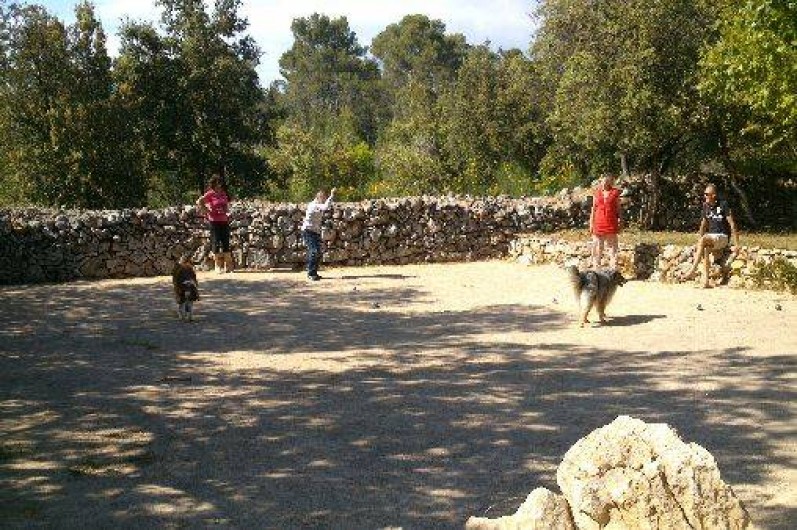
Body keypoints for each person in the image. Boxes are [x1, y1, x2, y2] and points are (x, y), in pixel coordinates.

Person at [681, 184, 739, 288]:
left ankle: (692, 271)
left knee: (704, 240)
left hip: (722, 236)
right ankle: (706, 281)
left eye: (707, 194)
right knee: (705, 249)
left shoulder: (723, 205)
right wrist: (699, 240)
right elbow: (703, 225)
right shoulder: (706, 206)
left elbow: (732, 224)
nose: (705, 196)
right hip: (711, 237)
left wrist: (737, 244)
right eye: (704, 194)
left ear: (714, 195)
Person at [196, 175, 233, 273]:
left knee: (226, 241)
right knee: (215, 242)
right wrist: (207, 210)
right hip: (214, 221)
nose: (219, 185)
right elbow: (199, 201)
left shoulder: (223, 194)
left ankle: (227, 266)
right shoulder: (210, 194)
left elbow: (226, 205)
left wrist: (226, 211)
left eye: (220, 183)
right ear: (213, 184)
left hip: (224, 220)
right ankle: (217, 266)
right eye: (217, 183)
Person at [589, 174, 623, 270]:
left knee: (612, 248)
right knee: (597, 248)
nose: (603, 183)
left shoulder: (615, 193)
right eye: (602, 181)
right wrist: (591, 223)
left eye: (605, 181)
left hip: (611, 223)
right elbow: (593, 209)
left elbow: (618, 208)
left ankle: (613, 270)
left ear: (609, 182)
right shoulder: (596, 193)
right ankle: (596, 269)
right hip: (598, 224)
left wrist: (621, 220)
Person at [301, 187, 336, 281]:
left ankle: (314, 273)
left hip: (315, 232)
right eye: (323, 198)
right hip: (308, 232)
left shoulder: (318, 205)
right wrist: (332, 195)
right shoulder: (313, 205)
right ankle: (310, 273)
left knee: (318, 253)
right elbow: (326, 207)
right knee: (314, 251)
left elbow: (324, 208)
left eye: (325, 198)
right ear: (319, 197)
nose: (324, 200)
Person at [172, 254, 199, 322]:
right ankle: (182, 316)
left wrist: (194, 284)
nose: (191, 265)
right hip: (181, 287)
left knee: (190, 302)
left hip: (190, 287)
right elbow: (176, 281)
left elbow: (194, 278)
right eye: (189, 263)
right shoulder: (177, 269)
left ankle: (190, 316)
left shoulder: (190, 270)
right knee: (182, 302)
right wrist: (179, 287)